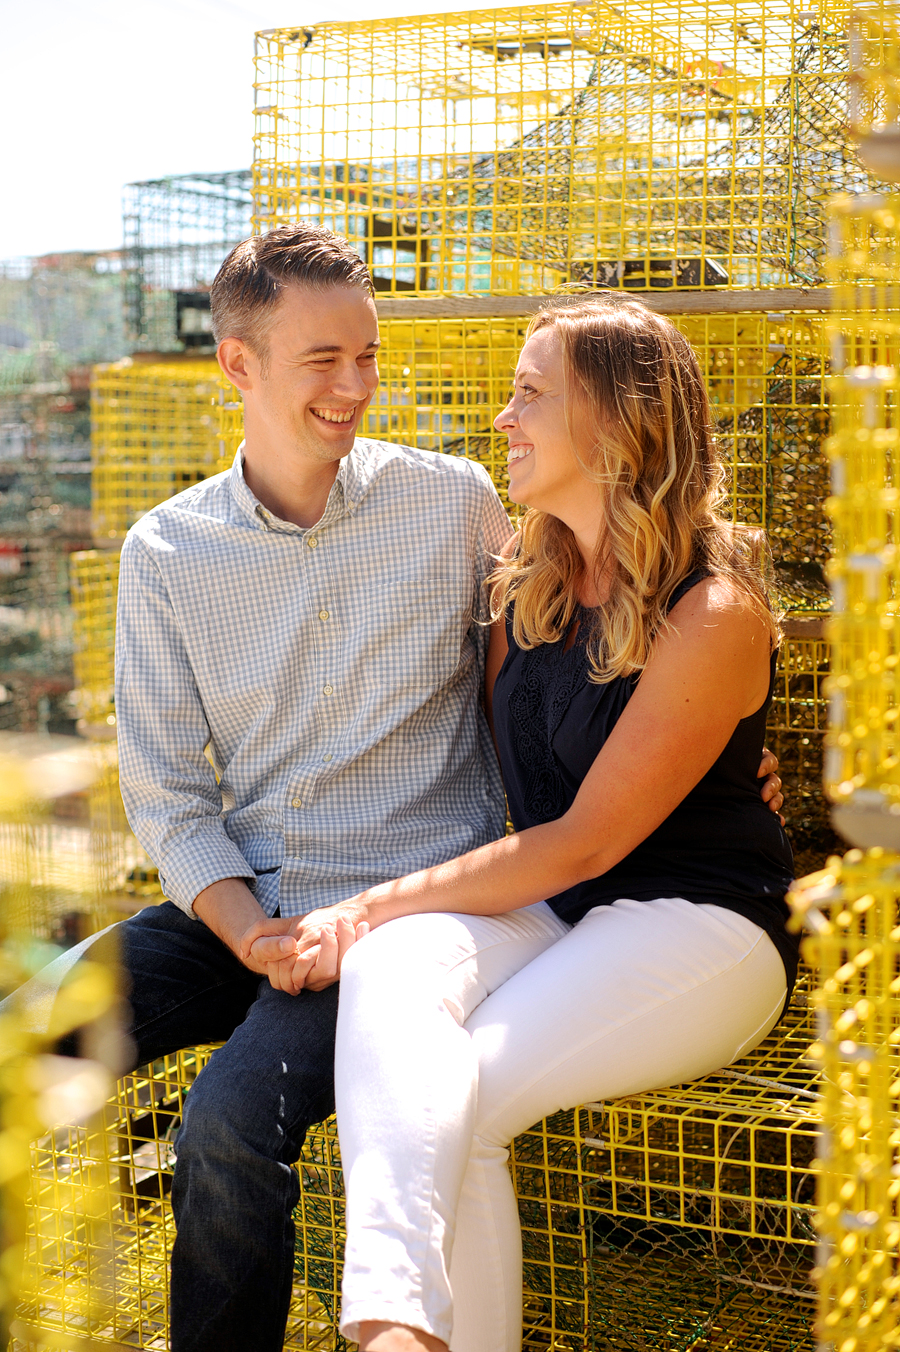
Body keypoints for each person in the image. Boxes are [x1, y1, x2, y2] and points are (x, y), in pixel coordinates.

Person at [7, 233, 783, 1352]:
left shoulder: (456, 507)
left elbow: (628, 666)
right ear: (238, 367)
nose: (357, 386)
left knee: (226, 1129)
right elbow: (170, 798)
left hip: (412, 910)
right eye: (324, 359)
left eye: (367, 355)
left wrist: (724, 754)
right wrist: (249, 930)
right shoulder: (166, 553)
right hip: (247, 901)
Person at [243, 294, 798, 1352]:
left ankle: (397, 1320)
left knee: (472, 1096)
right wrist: (377, 923)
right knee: (396, 966)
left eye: (531, 393)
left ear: (619, 422)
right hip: (562, 907)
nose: (504, 419)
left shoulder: (713, 609)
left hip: (701, 922)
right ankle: (403, 1317)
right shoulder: (528, 586)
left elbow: (585, 837)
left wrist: (356, 904)